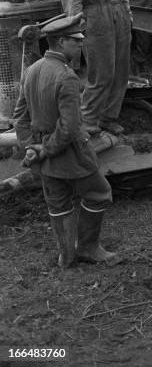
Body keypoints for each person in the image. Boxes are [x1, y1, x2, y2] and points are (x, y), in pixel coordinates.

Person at [13, 14, 119, 268]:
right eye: (76, 41)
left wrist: (31, 147)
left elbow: (20, 116)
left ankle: (66, 257)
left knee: (58, 201)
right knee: (99, 194)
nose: (81, 45)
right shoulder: (67, 76)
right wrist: (44, 149)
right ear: (61, 42)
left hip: (43, 153)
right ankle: (87, 247)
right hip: (69, 152)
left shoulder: (32, 70)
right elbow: (70, 126)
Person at [61, 0, 132, 136]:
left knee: (120, 74)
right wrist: (76, 32)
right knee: (100, 76)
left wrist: (129, 18)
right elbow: (72, 3)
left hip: (120, 23)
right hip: (95, 24)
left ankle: (109, 118)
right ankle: (88, 122)